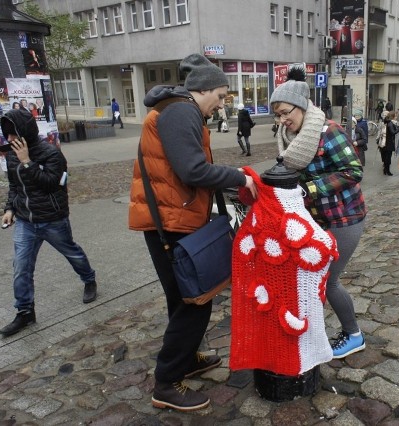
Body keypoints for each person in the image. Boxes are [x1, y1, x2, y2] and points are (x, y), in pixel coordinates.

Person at [128, 53, 257, 412]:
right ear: (205, 89)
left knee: (182, 297)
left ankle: (185, 359)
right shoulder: (182, 112)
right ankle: (167, 383)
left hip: (173, 218)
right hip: (171, 223)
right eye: (221, 95)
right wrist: (240, 177)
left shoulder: (179, 110)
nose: (221, 104)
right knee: (195, 302)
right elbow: (193, 170)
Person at [270, 66, 367, 359]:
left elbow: (353, 171)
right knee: (314, 279)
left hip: (344, 218)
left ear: (301, 107)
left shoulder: (329, 132)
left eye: (286, 112)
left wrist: (308, 190)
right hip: (318, 219)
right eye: (277, 115)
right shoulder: (293, 137)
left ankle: (354, 335)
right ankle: (317, 332)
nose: (282, 120)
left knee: (329, 281)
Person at [0, 108, 97, 337]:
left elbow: (51, 183)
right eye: (8, 135)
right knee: (21, 267)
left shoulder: (51, 154)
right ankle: (25, 312)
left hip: (52, 219)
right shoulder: (12, 154)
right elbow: (14, 186)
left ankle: (89, 279)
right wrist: (9, 208)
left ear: (25, 131)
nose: (11, 140)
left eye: (13, 134)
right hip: (25, 221)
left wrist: (27, 162)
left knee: (72, 253)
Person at [377, 111, 399, 175]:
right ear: (393, 117)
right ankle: (387, 170)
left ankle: (385, 169)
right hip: (388, 143)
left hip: (382, 142)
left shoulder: (385, 122)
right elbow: (393, 132)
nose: (396, 117)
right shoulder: (390, 123)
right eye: (395, 116)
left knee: (385, 157)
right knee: (388, 158)